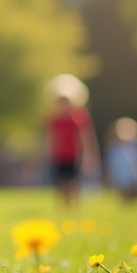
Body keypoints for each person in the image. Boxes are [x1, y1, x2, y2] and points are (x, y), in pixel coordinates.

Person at [45, 74, 99, 208]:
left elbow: (85, 137)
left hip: (74, 154)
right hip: (59, 155)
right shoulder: (54, 120)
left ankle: (74, 205)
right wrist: (49, 152)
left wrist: (88, 155)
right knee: (61, 181)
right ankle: (64, 205)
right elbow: (51, 138)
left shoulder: (78, 118)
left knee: (73, 181)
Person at [104, 117, 137, 202]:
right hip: (121, 174)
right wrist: (110, 175)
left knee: (134, 190)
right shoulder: (114, 148)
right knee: (124, 190)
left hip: (134, 174)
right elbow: (111, 164)